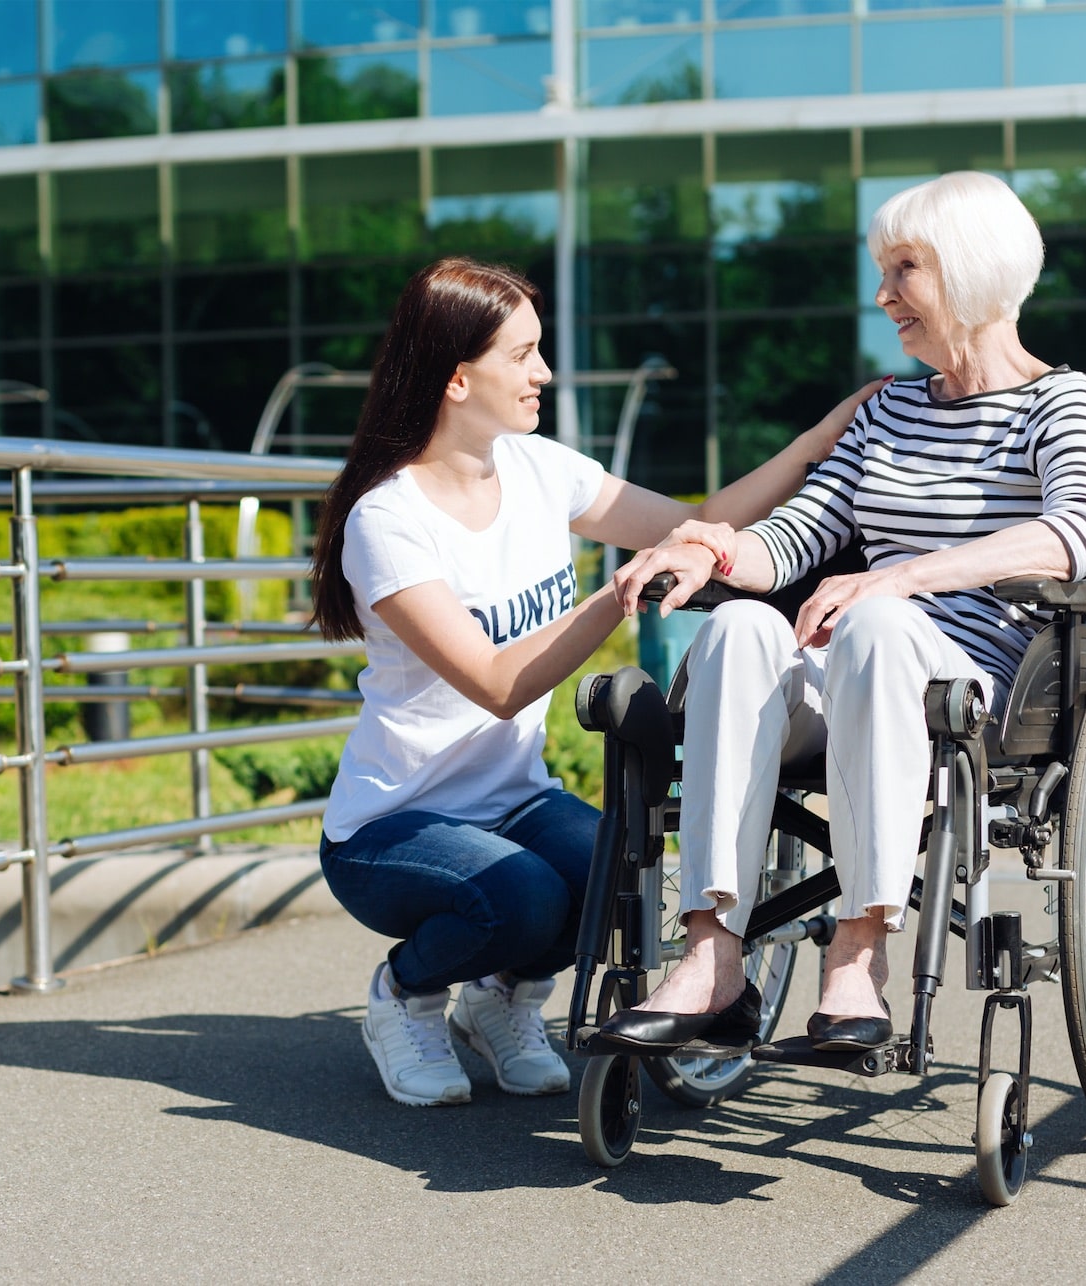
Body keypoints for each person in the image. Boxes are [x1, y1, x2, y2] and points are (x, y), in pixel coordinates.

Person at [311, 257, 883, 1107]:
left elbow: (702, 524)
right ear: (458, 377)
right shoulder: (388, 520)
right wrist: (615, 599)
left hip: (512, 799)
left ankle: (501, 1002)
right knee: (521, 901)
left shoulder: (541, 470)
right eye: (524, 355)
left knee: (619, 877)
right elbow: (497, 683)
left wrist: (819, 442)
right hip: (394, 823)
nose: (543, 373)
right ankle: (406, 996)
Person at [595, 171, 1086, 1056]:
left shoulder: (1057, 400)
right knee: (739, 625)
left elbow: (1079, 530)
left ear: (974, 271)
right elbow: (797, 536)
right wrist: (708, 548)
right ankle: (713, 954)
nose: (883, 297)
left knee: (874, 623)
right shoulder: (887, 411)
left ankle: (858, 951)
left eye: (904, 269)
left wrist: (901, 580)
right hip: (849, 676)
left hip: (969, 691)